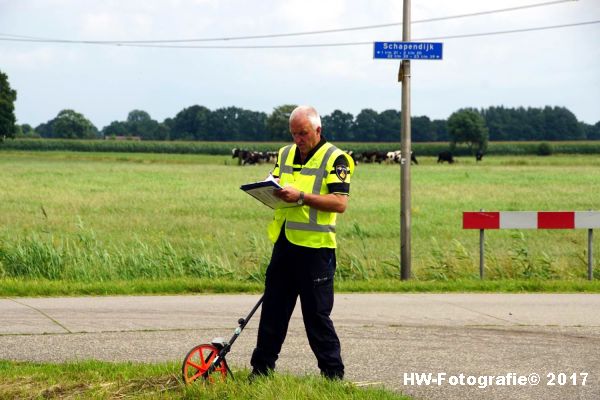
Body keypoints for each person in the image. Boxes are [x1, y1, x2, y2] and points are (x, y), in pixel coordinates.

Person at [250, 105, 355, 380]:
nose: (298, 139)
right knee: (273, 310)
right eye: (294, 133)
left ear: (318, 130)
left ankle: (333, 376)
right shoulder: (285, 153)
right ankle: (261, 371)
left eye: (303, 133)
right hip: (285, 244)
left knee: (316, 317)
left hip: (316, 250)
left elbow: (339, 203)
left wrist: (301, 197)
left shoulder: (337, 158)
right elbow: (275, 180)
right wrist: (266, 189)